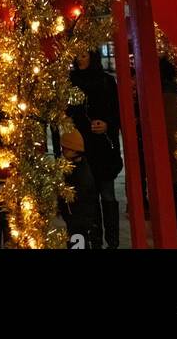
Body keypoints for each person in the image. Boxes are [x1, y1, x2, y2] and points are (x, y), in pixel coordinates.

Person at [69, 50, 122, 248]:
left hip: (103, 146)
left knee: (107, 194)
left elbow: (116, 110)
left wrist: (107, 124)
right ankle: (96, 240)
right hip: (82, 144)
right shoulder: (72, 80)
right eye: (78, 56)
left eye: (83, 55)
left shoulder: (106, 81)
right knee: (89, 194)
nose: (79, 59)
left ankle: (113, 241)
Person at [58, 124, 99, 247]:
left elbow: (75, 196)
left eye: (64, 149)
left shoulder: (81, 174)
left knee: (78, 243)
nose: (62, 151)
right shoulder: (79, 167)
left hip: (79, 220)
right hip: (78, 219)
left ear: (73, 150)